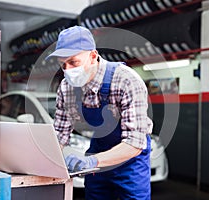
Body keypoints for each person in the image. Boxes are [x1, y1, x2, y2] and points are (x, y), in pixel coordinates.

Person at [47, 25, 153, 200]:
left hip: (131, 158)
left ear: (93, 56)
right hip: (99, 147)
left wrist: (91, 162)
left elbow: (135, 142)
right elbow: (59, 135)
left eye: (73, 62)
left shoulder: (126, 80)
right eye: (63, 65)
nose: (68, 70)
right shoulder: (66, 88)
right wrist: (46, 162)